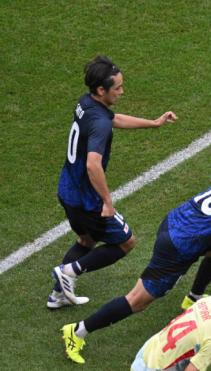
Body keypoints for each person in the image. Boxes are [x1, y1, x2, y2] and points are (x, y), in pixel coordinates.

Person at [60, 160, 211, 364]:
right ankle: (78, 331)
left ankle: (192, 298)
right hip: (179, 246)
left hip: (173, 221)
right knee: (137, 301)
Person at [49, 55, 177, 309]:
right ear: (101, 89)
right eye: (117, 87)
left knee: (86, 240)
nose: (122, 91)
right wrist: (107, 201)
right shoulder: (99, 123)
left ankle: (58, 294)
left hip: (67, 189)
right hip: (88, 198)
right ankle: (69, 272)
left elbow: (113, 119)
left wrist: (153, 123)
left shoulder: (86, 103)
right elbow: (93, 164)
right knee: (126, 242)